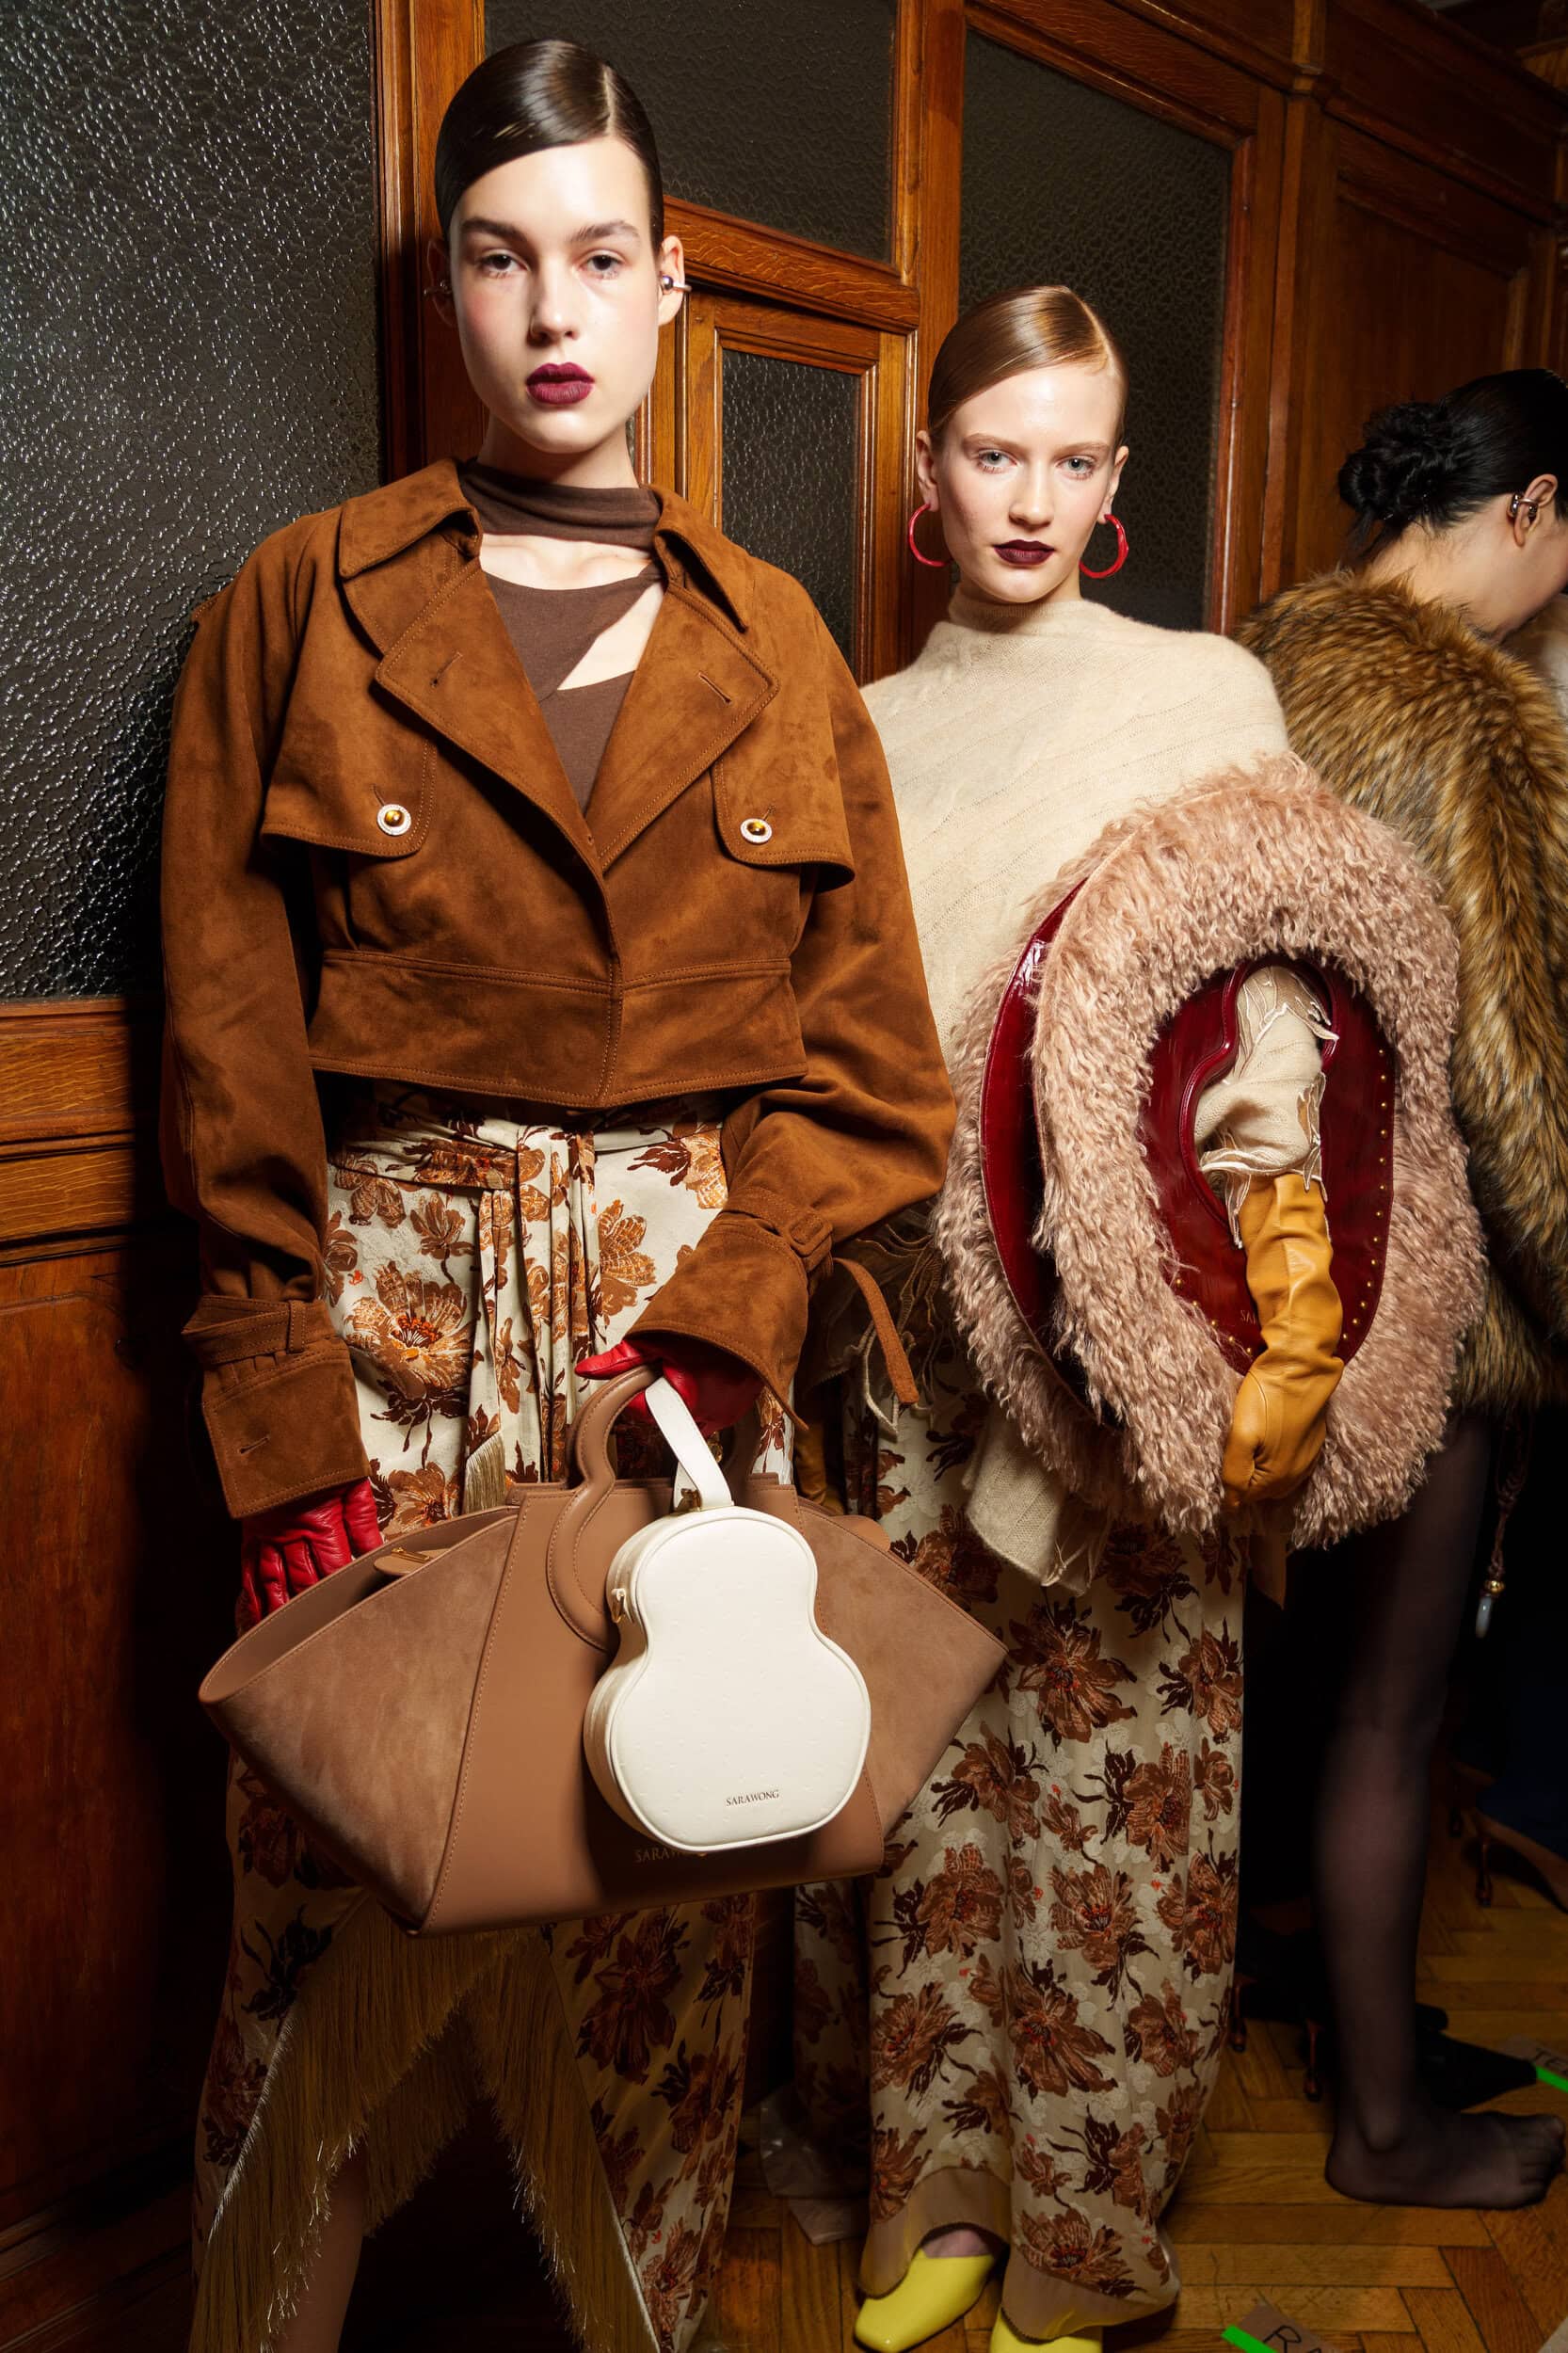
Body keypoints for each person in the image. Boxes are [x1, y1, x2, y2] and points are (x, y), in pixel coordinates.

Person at [159, 39, 952, 2353]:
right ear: (447, 293)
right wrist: (280, 1423)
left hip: (675, 1380)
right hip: (386, 1360)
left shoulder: (779, 639)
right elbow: (224, 1044)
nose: (552, 311)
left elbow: (870, 1068)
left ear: (670, 281)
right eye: (501, 261)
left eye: (599, 256)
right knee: (318, 1915)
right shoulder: (303, 602)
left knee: (672, 1900)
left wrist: (740, 1301)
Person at [793, 286, 1369, 2353]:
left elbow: (1269, 986)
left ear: (1116, 477)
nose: (1027, 496)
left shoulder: (1203, 693)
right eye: (991, 452)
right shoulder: (854, 722)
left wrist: (1277, 1288)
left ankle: (1087, 2231)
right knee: (923, 1763)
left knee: (1122, 1781)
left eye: (1069, 457)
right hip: (908, 1335)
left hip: (1129, 1335)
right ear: (926, 468)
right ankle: (934, 2185)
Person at [1238, 371, 1568, 2208]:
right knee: (1389, 1706)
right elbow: (1515, 1088)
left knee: (1288, 1672)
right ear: (1527, 506)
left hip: (1269, 1274)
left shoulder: (1256, 660)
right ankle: (1383, 2127)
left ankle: (1307, 1987)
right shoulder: (1468, 718)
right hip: (1430, 1294)